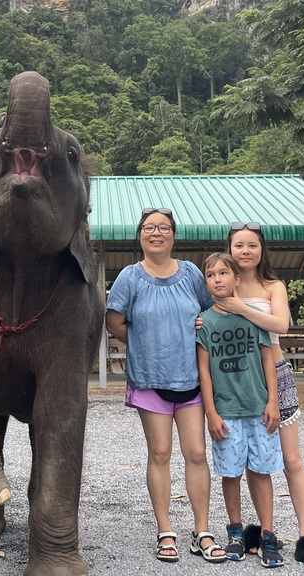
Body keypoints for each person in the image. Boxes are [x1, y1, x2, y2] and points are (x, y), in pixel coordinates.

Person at [105, 207, 227, 564]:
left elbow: (212, 311)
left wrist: (202, 328)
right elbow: (114, 320)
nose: (155, 232)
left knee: (197, 453)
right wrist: (144, 343)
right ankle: (165, 530)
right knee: (159, 453)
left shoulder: (191, 274)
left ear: (173, 235)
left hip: (191, 379)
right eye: (148, 227)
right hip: (150, 379)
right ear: (140, 235)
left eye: (163, 227)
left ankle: (202, 531)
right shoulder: (129, 277)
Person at [211, 221, 304, 566]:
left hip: (275, 373)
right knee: (252, 460)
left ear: (261, 249)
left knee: (291, 459)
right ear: (229, 249)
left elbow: (281, 325)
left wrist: (240, 307)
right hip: (240, 379)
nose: (245, 251)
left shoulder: (273, 286)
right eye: (238, 245)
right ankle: (264, 531)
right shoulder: (222, 285)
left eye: (252, 245)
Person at [196, 253, 284, 567]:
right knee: (230, 473)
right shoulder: (204, 322)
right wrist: (211, 413)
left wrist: (273, 401)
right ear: (206, 283)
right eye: (210, 275)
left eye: (223, 273)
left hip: (259, 408)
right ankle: (235, 533)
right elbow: (204, 371)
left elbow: (267, 360)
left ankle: (267, 535)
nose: (217, 279)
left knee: (261, 471)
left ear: (236, 279)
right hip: (227, 412)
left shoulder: (253, 317)